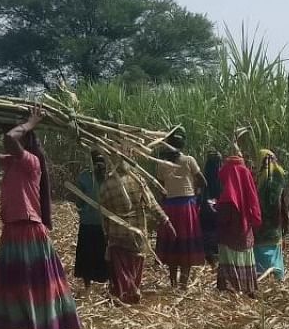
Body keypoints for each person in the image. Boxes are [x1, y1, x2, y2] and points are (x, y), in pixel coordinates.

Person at [0, 107, 80, 329]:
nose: (11, 140)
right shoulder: (10, 161)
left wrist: (31, 121)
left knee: (43, 289)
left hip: (30, 233)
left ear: (26, 139)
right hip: (12, 233)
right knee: (1, 291)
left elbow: (11, 138)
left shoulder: (31, 162)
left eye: (20, 134)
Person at [99, 155, 167, 304]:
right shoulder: (138, 180)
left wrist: (105, 232)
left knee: (121, 267)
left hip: (118, 233)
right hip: (138, 231)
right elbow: (152, 204)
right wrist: (165, 220)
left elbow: (104, 213)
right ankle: (132, 291)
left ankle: (128, 292)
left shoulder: (106, 185)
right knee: (136, 264)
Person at [154, 129, 207, 289]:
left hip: (170, 207)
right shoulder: (188, 160)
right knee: (186, 244)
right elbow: (203, 182)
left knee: (173, 243)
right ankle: (183, 284)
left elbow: (160, 186)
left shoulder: (162, 163)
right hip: (186, 207)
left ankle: (173, 283)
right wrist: (195, 193)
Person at [216, 142, 262, 296]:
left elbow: (223, 215)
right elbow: (253, 200)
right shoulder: (245, 172)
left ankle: (231, 287)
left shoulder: (227, 177)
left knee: (228, 252)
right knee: (245, 252)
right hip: (244, 226)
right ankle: (248, 287)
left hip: (229, 231)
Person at [73, 152, 110, 291]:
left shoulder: (108, 178)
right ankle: (88, 286)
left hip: (103, 224)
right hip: (90, 223)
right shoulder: (85, 177)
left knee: (101, 254)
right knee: (89, 254)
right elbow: (79, 201)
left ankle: (101, 284)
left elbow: (79, 202)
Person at [254, 149, 289, 281]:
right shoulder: (279, 176)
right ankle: (276, 277)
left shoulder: (259, 178)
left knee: (261, 253)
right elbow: (284, 204)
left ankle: (261, 277)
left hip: (260, 227)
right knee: (273, 252)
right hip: (275, 226)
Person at [201, 150, 224, 264]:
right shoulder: (223, 177)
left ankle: (210, 255)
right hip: (218, 212)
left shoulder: (204, 178)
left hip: (207, 212)